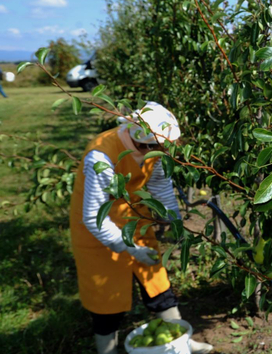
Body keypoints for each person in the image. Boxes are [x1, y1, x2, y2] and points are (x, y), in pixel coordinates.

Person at [69, 102, 213, 354]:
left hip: (135, 221)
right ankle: (108, 350)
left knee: (157, 282)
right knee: (107, 299)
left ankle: (180, 340)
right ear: (141, 141)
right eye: (157, 148)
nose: (160, 153)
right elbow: (94, 217)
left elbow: (159, 184)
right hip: (98, 234)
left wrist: (173, 219)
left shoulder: (151, 148)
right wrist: (130, 248)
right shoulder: (100, 157)